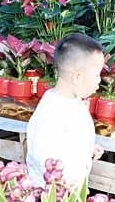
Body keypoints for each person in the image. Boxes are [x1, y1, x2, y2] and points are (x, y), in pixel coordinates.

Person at [26, 33, 105, 188]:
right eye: (97, 74)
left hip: (73, 192)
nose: (99, 80)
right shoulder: (51, 112)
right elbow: (43, 158)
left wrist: (87, 149)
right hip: (53, 193)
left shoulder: (74, 101)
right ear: (77, 78)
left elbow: (68, 140)